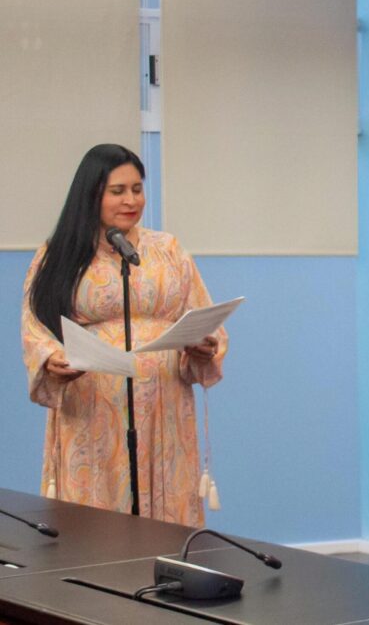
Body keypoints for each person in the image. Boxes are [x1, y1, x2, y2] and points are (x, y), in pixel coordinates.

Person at [21, 144, 226, 526]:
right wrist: (52, 359)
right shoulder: (59, 254)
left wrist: (204, 344)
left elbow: (202, 313)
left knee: (165, 513)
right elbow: (36, 326)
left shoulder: (168, 249)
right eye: (118, 191)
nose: (131, 200)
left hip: (165, 407)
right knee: (100, 518)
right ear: (91, 193)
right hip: (93, 405)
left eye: (137, 188)